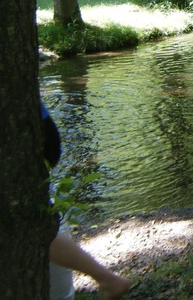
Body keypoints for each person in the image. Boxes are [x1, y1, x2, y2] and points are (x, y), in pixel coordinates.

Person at [42, 104, 131, 300]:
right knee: (41, 215)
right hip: (39, 125)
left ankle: (107, 279)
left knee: (33, 224)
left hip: (30, 130)